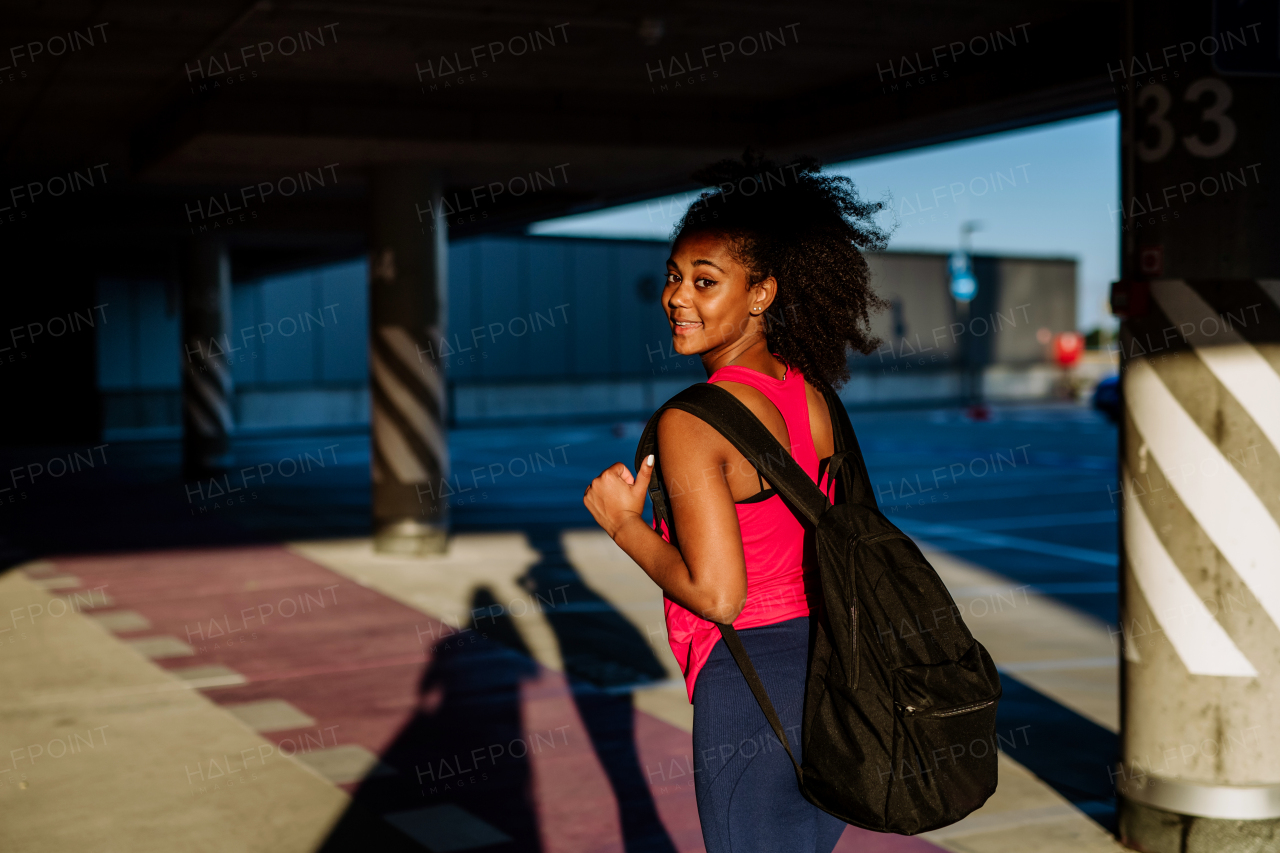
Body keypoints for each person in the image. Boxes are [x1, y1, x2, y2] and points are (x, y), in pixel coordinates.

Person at [582, 154, 888, 853]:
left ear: (762, 292)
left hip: (750, 680)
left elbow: (718, 594)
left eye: (705, 281)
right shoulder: (810, 395)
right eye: (673, 277)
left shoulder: (693, 420)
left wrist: (626, 525)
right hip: (830, 667)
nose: (677, 298)